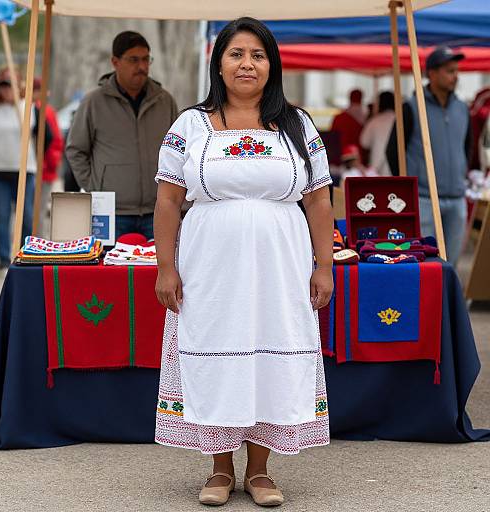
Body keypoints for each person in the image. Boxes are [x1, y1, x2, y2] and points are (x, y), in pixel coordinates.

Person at [153, 17, 333, 507]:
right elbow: (168, 200)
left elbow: (318, 200)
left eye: (257, 54)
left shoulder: (297, 124)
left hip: (280, 265)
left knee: (267, 358)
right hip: (210, 264)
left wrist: (324, 265)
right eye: (236, 54)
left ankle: (259, 472)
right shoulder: (190, 124)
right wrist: (165, 267)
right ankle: (218, 469)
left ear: (271, 64)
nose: (247, 63)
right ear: (219, 63)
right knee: (219, 354)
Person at [66, 31, 178, 241]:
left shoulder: (165, 102)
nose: (142, 67)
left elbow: (178, 152)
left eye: (146, 59)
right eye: (134, 60)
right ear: (115, 62)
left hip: (158, 211)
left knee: (156, 273)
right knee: (108, 273)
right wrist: (95, 185)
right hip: (111, 214)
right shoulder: (93, 103)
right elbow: (75, 150)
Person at [386, 46, 471, 267]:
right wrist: (409, 187)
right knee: (426, 263)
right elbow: (393, 150)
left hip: (456, 198)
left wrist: (461, 175)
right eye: (449, 71)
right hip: (423, 199)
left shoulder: (462, 109)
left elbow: (467, 147)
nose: (455, 76)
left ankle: (445, 302)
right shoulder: (411, 107)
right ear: (431, 74)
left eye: (456, 70)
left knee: (451, 264)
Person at [0, 68, 52, 275]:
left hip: (24, 171)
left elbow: (47, 136)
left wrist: (35, 156)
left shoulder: (28, 108)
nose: (6, 89)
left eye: (10, 84)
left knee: (26, 216)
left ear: (18, 85)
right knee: (2, 216)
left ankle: (24, 256)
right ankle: (3, 260)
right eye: (2, 85)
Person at [33, 77, 64, 237]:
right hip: (44, 168)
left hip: (43, 168)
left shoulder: (44, 110)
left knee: (36, 209)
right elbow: (56, 141)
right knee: (37, 209)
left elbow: (55, 141)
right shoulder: (44, 110)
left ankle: (38, 240)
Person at [360, 91, 395, 176]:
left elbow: (364, 142)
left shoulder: (374, 121)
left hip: (376, 167)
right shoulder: (400, 120)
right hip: (396, 166)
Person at [331, 88, 367, 153]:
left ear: (350, 98)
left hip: (341, 153)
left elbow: (332, 137)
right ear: (361, 99)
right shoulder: (367, 117)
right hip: (358, 155)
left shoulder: (339, 118)